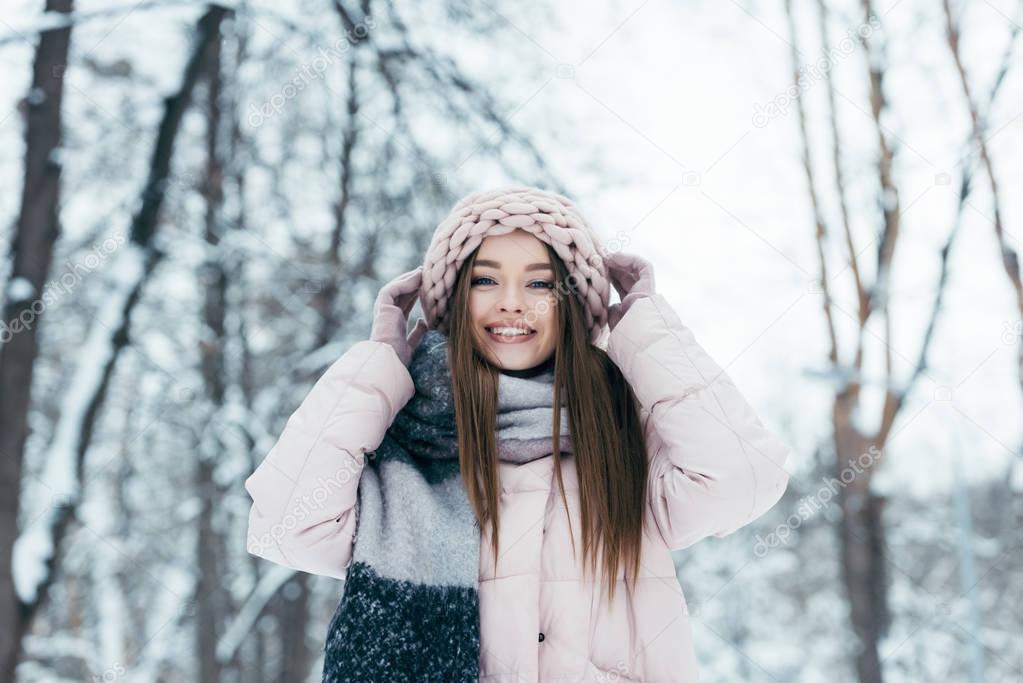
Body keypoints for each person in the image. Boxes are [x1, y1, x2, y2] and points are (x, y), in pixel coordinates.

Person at [244, 185, 792, 682]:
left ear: (574, 305)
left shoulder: (625, 441)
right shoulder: (401, 445)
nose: (512, 302)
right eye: (485, 280)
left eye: (539, 283)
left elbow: (741, 480)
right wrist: (378, 365)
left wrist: (645, 328)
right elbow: (287, 526)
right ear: (455, 302)